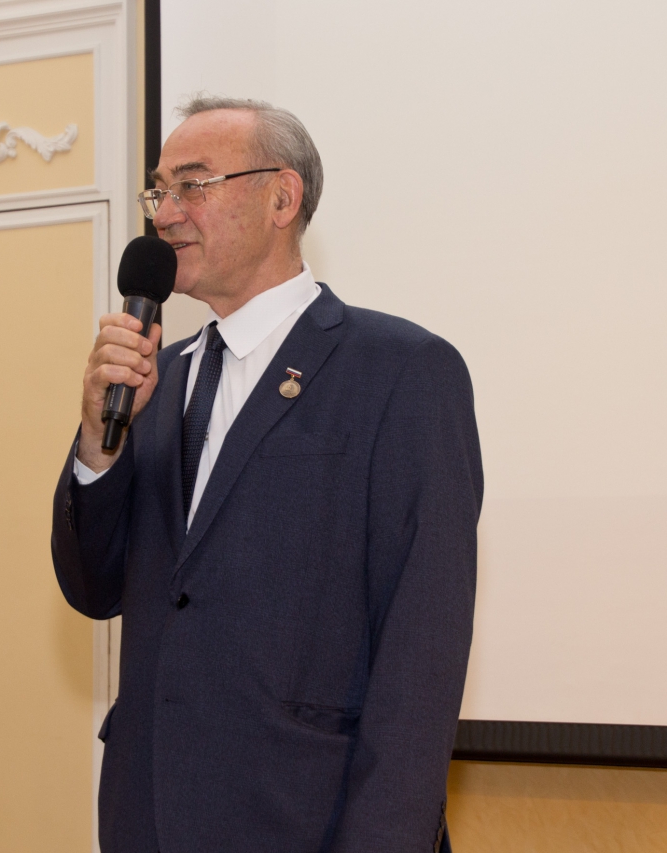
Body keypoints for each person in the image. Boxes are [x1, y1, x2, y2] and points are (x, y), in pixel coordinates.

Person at [51, 95, 482, 853]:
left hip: (305, 819)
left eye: (193, 185)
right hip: (146, 815)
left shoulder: (401, 371)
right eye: (159, 191)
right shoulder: (155, 380)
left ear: (282, 198)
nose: (166, 214)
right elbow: (94, 587)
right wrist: (98, 442)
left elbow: (421, 656)